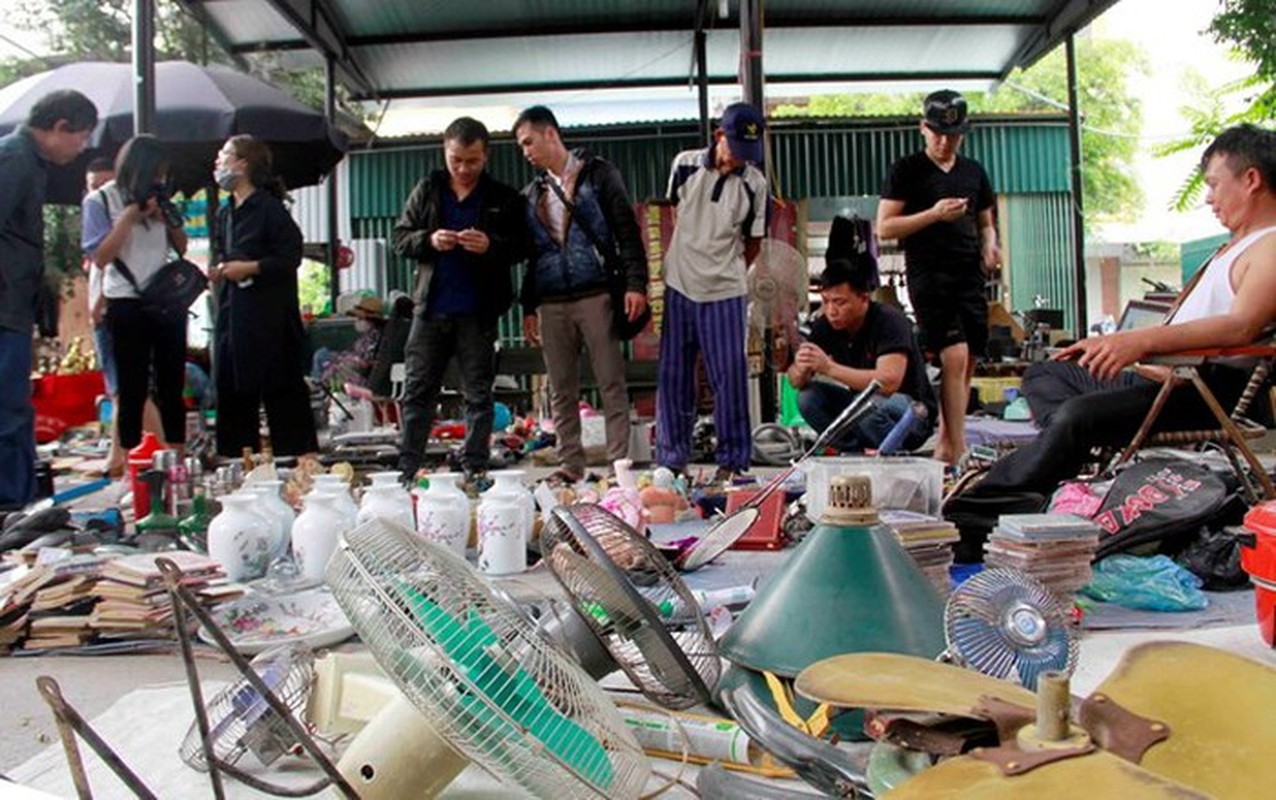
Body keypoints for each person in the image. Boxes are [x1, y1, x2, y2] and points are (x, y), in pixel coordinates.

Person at [963, 124, 1276, 500]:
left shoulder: (1269, 247)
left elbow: (1240, 327)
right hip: (1163, 375)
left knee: (1078, 416)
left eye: (1214, 184)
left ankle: (979, 508)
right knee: (1048, 372)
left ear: (1252, 179)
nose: (1209, 198)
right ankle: (1063, 448)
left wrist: (1138, 341)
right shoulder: (1236, 245)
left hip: (1199, 389)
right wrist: (1116, 344)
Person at [514, 105, 648, 484]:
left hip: (597, 295)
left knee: (610, 380)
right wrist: (528, 306)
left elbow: (626, 231)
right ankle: (570, 465)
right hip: (551, 300)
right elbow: (534, 255)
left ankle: (618, 464)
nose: (525, 152)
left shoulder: (598, 175)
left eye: (528, 142)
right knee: (561, 387)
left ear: (550, 134)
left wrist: (636, 284)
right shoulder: (532, 194)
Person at [392, 117, 527, 486]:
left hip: (478, 312)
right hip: (430, 309)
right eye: (456, 160)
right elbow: (400, 238)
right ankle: (407, 469)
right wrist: (430, 240)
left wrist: (491, 246)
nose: (464, 169)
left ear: (486, 156)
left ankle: (474, 468)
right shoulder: (428, 189)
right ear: (444, 152)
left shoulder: (503, 197)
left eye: (472, 161)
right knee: (418, 391)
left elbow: (522, 246)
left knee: (478, 395)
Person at [877, 89, 1000, 467]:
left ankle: (948, 442)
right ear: (923, 129)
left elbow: (986, 221)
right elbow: (885, 227)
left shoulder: (973, 171)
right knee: (954, 353)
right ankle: (957, 449)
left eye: (954, 135)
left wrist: (991, 244)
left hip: (969, 273)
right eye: (938, 134)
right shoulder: (907, 171)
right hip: (930, 274)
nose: (945, 142)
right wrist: (933, 214)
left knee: (969, 360)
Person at [655, 102, 768, 483]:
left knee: (729, 375)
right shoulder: (684, 165)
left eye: (748, 153)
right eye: (736, 148)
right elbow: (676, 214)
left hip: (725, 290)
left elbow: (753, 242)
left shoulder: (755, 183)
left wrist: (727, 268)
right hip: (680, 284)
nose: (741, 160)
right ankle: (672, 460)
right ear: (720, 136)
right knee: (674, 374)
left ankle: (733, 461)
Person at [0, 90, 97, 510]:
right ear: (60, 127)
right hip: (3, 308)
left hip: (14, 305)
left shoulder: (28, 162)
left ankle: (18, 503)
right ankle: (10, 507)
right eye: (81, 138)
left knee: (15, 410)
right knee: (8, 413)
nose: (82, 149)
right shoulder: (14, 159)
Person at [209, 135, 317, 457]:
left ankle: (299, 463)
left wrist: (251, 267)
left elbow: (290, 257)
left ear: (242, 164)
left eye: (224, 155)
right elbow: (221, 254)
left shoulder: (270, 210)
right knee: (232, 393)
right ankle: (237, 461)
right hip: (233, 315)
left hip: (269, 319)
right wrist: (220, 270)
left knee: (282, 394)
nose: (218, 161)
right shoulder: (225, 213)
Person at [82, 135, 190, 458]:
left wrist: (168, 221)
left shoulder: (162, 199)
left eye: (163, 175)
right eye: (155, 174)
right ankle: (133, 461)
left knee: (172, 384)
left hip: (166, 299)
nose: (159, 180)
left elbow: (182, 248)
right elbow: (100, 257)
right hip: (125, 299)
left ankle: (177, 457)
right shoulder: (101, 201)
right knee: (132, 387)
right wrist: (129, 218)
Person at [788, 255, 937, 453]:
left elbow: (888, 382)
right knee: (808, 398)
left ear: (864, 298)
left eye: (840, 302)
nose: (831, 310)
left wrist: (829, 367)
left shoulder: (889, 321)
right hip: (864, 405)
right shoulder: (826, 325)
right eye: (826, 301)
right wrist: (800, 367)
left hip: (910, 413)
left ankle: (895, 454)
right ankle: (853, 452)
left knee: (867, 406)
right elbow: (795, 381)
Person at [312, 295, 385, 390]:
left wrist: (341, 361)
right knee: (322, 353)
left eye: (360, 319)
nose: (356, 321)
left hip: (358, 372)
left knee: (323, 358)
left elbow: (365, 361)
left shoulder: (375, 337)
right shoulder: (367, 335)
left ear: (370, 320)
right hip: (351, 363)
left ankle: (317, 389)